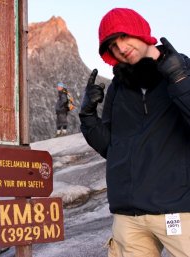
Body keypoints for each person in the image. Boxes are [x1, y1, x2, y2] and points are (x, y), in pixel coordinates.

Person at [79, 8, 190, 257]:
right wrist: (87, 117)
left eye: (122, 37)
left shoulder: (183, 69)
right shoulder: (119, 87)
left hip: (178, 210)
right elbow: (112, 147)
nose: (120, 48)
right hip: (129, 216)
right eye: (112, 46)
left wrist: (180, 80)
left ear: (138, 29)